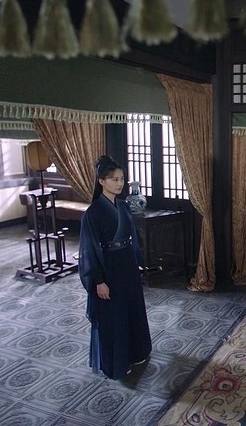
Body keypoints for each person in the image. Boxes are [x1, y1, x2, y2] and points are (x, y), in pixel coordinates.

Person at [78, 155, 152, 380]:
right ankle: (116, 363)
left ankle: (137, 352)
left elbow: (132, 238)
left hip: (127, 264)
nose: (120, 184)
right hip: (108, 267)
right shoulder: (93, 213)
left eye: (121, 179)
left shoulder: (123, 206)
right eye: (114, 179)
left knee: (132, 308)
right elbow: (89, 250)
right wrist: (99, 281)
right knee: (114, 316)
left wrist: (137, 263)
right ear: (101, 181)